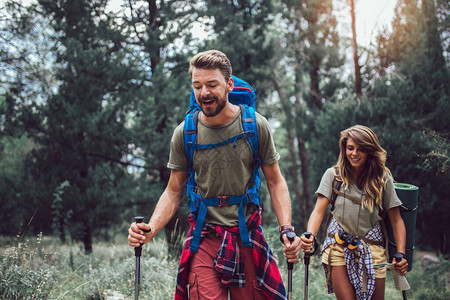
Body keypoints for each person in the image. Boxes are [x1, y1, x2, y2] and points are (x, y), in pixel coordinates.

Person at [128, 50, 300, 300]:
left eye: (211, 85)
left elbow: (275, 181)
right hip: (204, 236)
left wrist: (286, 229)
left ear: (229, 85)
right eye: (197, 86)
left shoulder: (254, 125)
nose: (204, 93)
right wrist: (150, 229)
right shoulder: (185, 132)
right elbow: (174, 189)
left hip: (247, 235)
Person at [300, 125, 408, 300]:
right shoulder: (333, 176)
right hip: (339, 246)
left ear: (370, 151)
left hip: (373, 248)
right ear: (344, 148)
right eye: (350, 148)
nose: (354, 153)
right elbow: (318, 211)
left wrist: (401, 254)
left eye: (361, 149)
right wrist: (309, 235)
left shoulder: (383, 178)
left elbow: (396, 220)